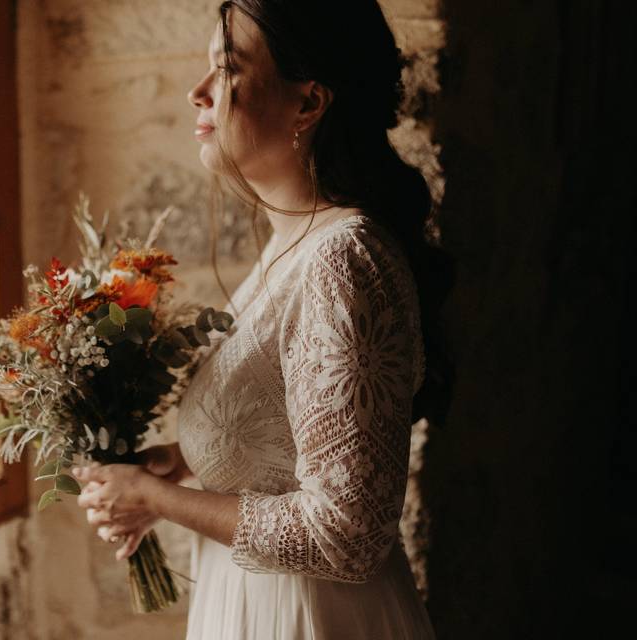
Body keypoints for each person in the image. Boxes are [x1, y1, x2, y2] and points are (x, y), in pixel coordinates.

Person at [74, 1, 447, 637]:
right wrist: (181, 460)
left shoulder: (343, 260)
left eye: (225, 71)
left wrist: (154, 499)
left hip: (310, 617)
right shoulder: (293, 242)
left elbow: (347, 535)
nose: (197, 93)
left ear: (308, 104)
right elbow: (289, 433)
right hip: (250, 603)